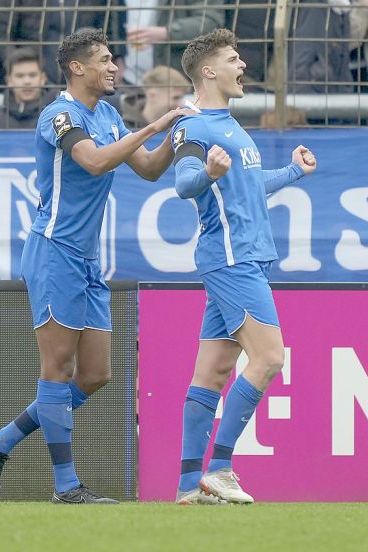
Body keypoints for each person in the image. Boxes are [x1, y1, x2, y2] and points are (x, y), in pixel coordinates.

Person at [0, 29, 189, 504]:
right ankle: (66, 486)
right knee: (57, 368)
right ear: (78, 67)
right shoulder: (60, 115)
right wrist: (154, 125)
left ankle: (3, 440)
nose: (115, 67)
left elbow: (151, 169)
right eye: (106, 60)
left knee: (94, 375)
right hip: (53, 253)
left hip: (86, 260)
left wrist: (180, 133)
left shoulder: (110, 115)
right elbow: (93, 162)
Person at [169, 29, 316, 505]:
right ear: (208, 71)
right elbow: (183, 182)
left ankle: (189, 485)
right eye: (234, 59)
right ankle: (221, 466)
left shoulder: (231, 125)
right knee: (270, 357)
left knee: (211, 375)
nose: (242, 66)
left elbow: (250, 184)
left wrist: (293, 171)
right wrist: (206, 173)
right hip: (233, 261)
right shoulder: (194, 126)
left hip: (241, 259)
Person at [0, 48, 56, 130]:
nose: (27, 82)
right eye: (20, 76)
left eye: (32, 75)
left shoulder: (58, 120)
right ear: (9, 80)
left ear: (43, 78)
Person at [120, 65, 191, 129]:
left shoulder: (183, 126)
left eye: (181, 98)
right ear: (152, 96)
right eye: (175, 98)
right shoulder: (122, 128)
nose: (181, 105)